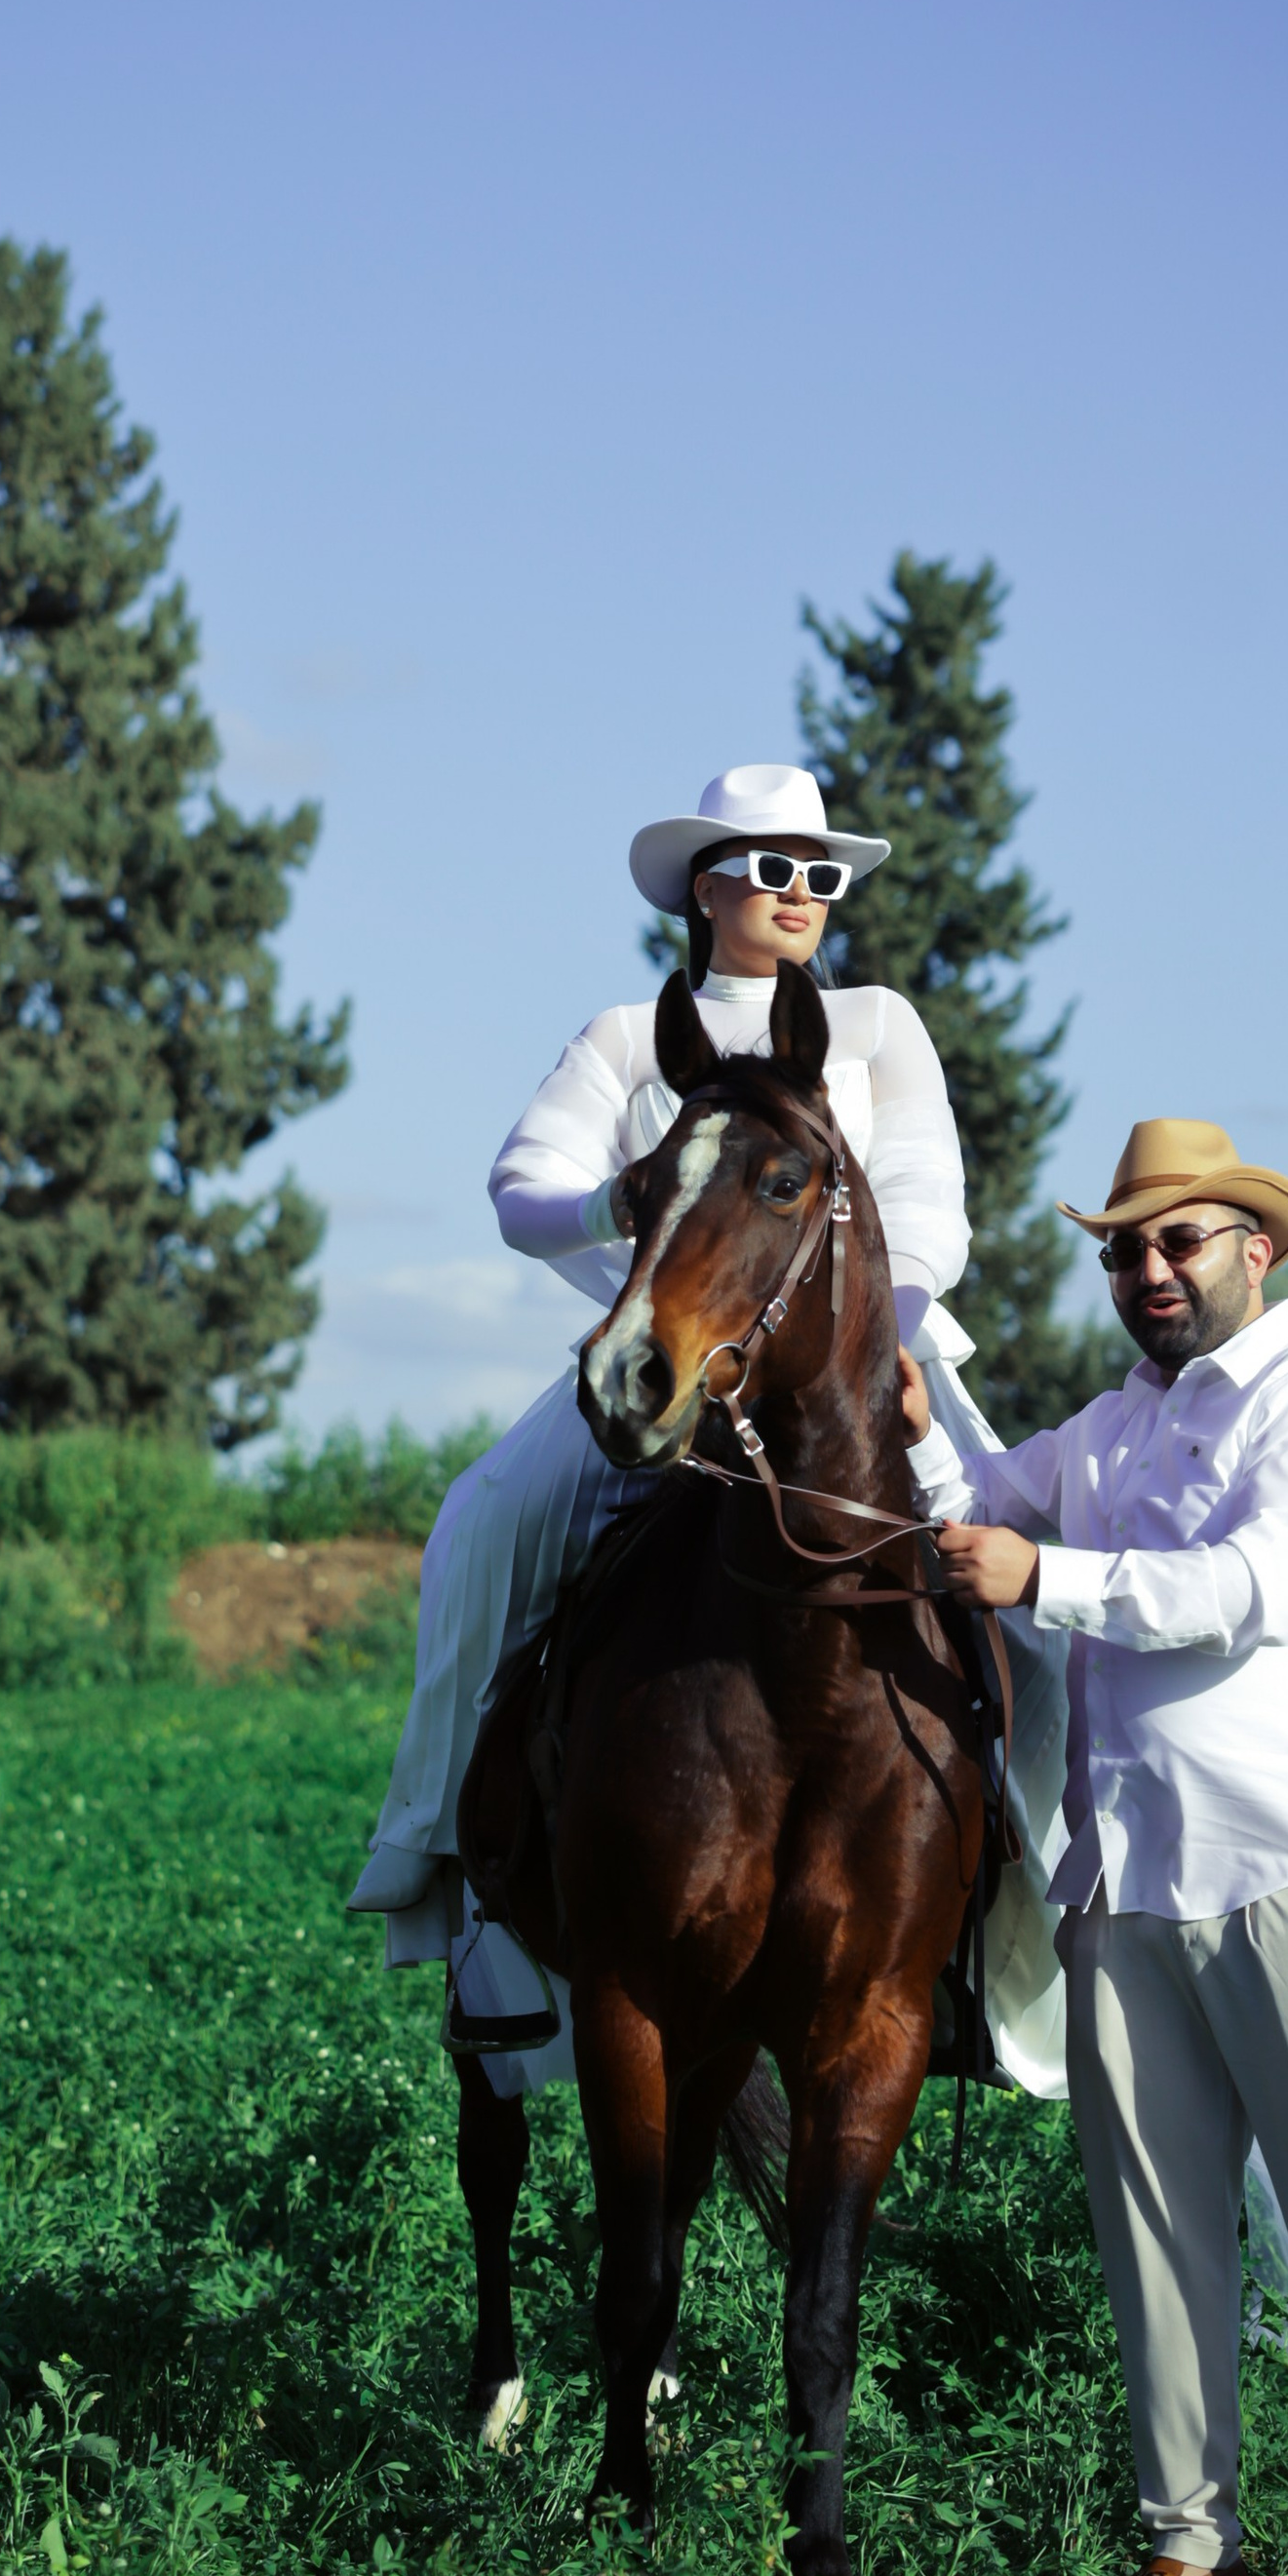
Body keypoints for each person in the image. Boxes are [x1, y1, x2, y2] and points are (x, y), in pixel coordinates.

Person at [347, 760, 1072, 2103]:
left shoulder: (873, 1024)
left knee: (1027, 1572)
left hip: (872, 1366)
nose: (803, 895)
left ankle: (1055, 1894)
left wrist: (884, 1349)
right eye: (774, 869)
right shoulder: (630, 1035)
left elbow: (926, 1200)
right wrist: (623, 1203)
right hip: (675, 1367)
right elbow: (521, 1189)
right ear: (707, 887)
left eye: (824, 874)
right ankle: (447, 1852)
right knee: (484, 1520)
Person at [898, 1118, 1288, 2576]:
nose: (1144, 1268)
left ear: (1252, 1250)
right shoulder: (1112, 1425)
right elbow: (995, 1498)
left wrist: (1048, 1581)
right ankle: (1190, 2549)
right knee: (1154, 2235)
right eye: (1121, 1247)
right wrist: (918, 1416)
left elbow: (1247, 1594)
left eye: (1175, 1239)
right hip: (1125, 1881)